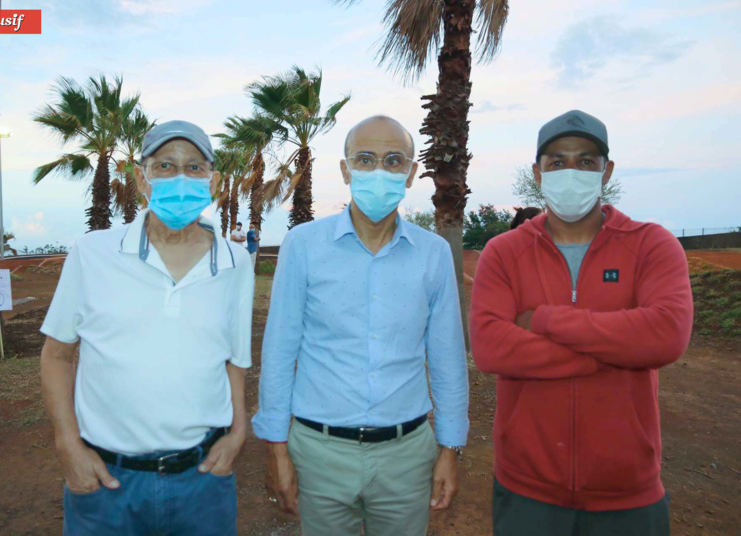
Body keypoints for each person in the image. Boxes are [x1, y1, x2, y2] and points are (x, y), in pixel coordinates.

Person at [470, 110, 693, 536]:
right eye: (557, 162)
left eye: (586, 161)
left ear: (606, 171)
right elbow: (491, 348)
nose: (571, 172)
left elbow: (665, 336)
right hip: (526, 490)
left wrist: (546, 320)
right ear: (537, 172)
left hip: (628, 493)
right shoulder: (503, 252)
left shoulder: (652, 244)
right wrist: (615, 351)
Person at [253, 115, 469, 536]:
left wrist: (449, 447)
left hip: (406, 455)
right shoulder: (304, 245)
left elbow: (447, 358)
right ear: (345, 169)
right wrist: (276, 448)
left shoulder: (433, 253)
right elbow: (280, 350)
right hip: (319, 452)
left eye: (393, 161)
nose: (379, 172)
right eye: (365, 159)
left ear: (409, 175)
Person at [40, 120, 254, 536]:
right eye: (165, 166)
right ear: (142, 178)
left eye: (195, 168)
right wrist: (67, 444)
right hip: (107, 480)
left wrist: (238, 430)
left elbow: (236, 358)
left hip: (203, 478)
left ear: (214, 180)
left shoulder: (235, 263)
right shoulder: (93, 252)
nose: (181, 178)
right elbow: (57, 354)